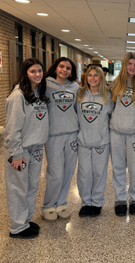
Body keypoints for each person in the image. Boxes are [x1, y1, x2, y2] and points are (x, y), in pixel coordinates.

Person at [5, 58, 49, 239]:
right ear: (25, 73)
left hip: (36, 148)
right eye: (33, 71)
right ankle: (17, 227)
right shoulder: (18, 96)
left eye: (40, 71)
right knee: (18, 188)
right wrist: (16, 154)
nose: (37, 74)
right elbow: (12, 128)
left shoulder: (37, 91)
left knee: (31, 186)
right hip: (20, 151)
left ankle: (25, 220)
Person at [42, 57, 79, 221]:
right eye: (62, 66)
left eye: (68, 68)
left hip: (72, 134)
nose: (65, 70)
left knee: (68, 171)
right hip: (53, 135)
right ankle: (49, 205)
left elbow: (78, 109)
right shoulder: (46, 85)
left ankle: (62, 202)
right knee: (55, 173)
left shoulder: (75, 87)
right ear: (55, 68)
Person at [109, 52, 135, 216]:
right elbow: (110, 108)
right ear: (125, 65)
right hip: (116, 132)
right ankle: (120, 198)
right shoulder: (115, 84)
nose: (132, 67)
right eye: (130, 64)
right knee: (118, 167)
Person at [76, 65, 112, 216]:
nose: (92, 78)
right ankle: (86, 202)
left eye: (96, 75)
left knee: (99, 173)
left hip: (101, 141)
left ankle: (97, 202)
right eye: (90, 75)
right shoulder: (80, 94)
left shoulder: (109, 96)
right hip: (83, 141)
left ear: (101, 78)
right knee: (84, 173)